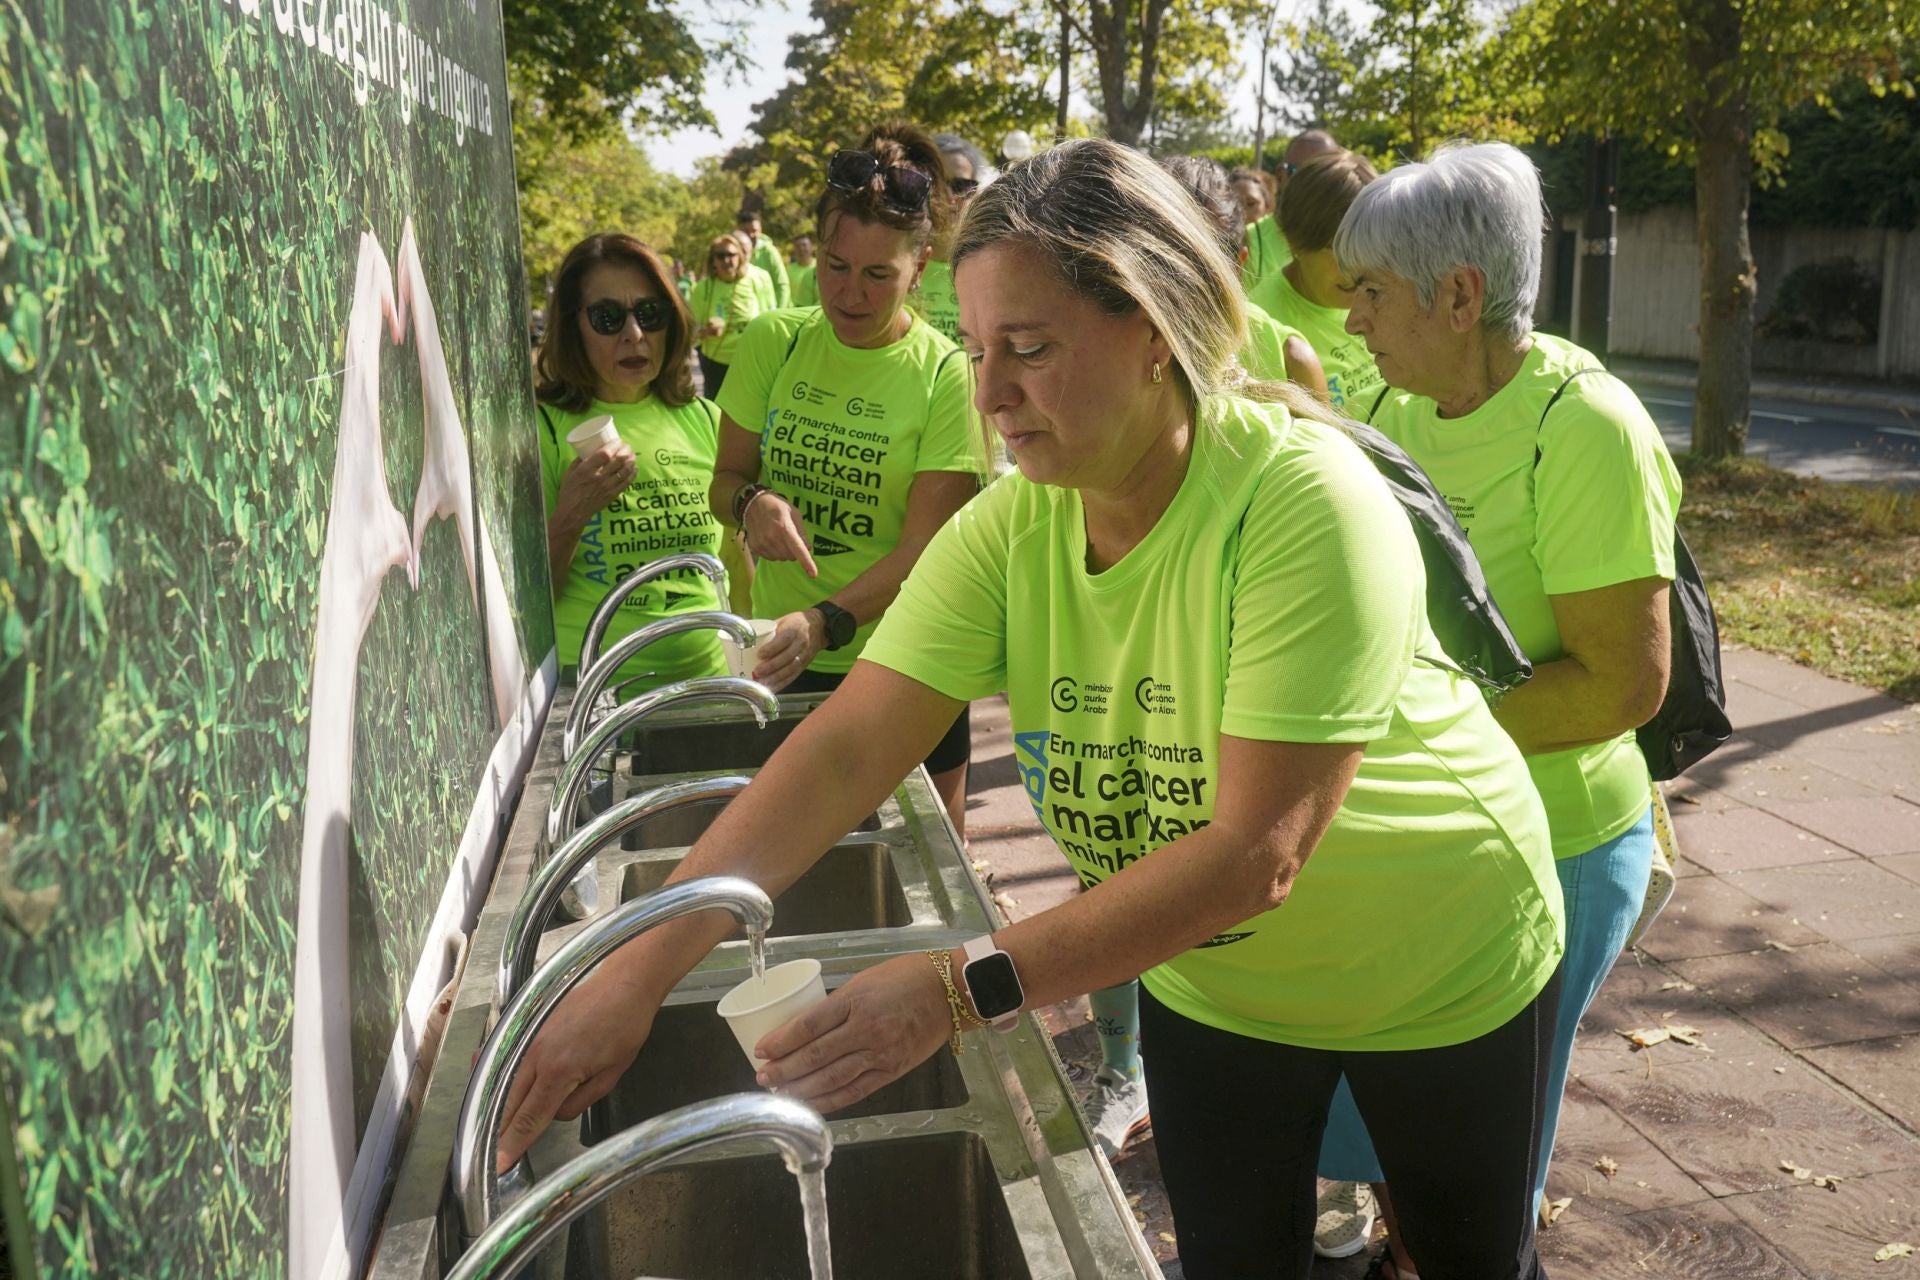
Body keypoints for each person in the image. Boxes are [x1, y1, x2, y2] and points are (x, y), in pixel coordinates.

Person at [496, 137, 1567, 1280]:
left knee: (1462, 1259)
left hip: (1436, 949)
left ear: (1155, 327)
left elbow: (1258, 851)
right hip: (1217, 974)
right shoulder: (1018, 528)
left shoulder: (1304, 499)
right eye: (973, 349)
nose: (991, 392)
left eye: (1030, 347)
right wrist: (633, 974)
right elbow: (850, 741)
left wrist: (959, 988)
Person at [1312, 141, 1680, 1278]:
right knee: (1386, 1121)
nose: (1353, 314)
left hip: (1551, 849)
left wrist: (1407, 732)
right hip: (1430, 835)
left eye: (1371, 290)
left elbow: (1624, 682)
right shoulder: (1388, 401)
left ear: (1459, 295)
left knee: (1467, 1169)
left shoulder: (1581, 429)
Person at [707, 122, 985, 836]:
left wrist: (827, 621)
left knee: (930, 873)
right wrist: (752, 501)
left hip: (904, 665)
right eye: (835, 266)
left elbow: (928, 548)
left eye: (877, 275)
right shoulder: (777, 340)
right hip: (784, 660)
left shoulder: (946, 374)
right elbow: (726, 478)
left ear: (920, 267)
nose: (850, 294)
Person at [533, 233, 728, 692]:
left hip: (708, 687)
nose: (634, 335)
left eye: (650, 314)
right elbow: (524, 607)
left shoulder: (706, 419)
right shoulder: (542, 428)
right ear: (572, 324)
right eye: (607, 318)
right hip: (591, 697)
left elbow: (734, 565)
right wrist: (572, 514)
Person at [1167, 155, 1328, 401]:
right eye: (1160, 252)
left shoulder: (1291, 359)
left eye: (1200, 259)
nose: (1177, 274)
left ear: (1238, 265)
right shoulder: (1108, 348)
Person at [1251, 149, 1384, 412]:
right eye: (1337, 250)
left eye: (1368, 248)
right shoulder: (1261, 332)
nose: (1356, 269)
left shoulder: (1393, 295)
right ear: (1295, 241)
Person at [1242, 128, 1341, 297]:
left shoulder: (1352, 242)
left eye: (1328, 174)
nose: (1316, 185)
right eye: (1302, 173)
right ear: (1281, 175)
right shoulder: (1248, 243)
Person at [914, 132, 992, 344]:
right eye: (936, 183)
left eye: (961, 185)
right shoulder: (893, 269)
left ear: (976, 193)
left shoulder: (994, 274)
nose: (948, 195)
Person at [689, 232, 777, 398]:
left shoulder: (759, 279)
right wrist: (707, 331)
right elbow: (689, 333)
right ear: (713, 261)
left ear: (740, 257)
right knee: (717, 415)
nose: (726, 261)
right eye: (720, 256)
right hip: (716, 363)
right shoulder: (703, 288)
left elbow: (772, 319)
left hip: (751, 362)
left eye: (731, 255)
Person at [737, 208, 792, 308]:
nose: (751, 235)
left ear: (760, 230)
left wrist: (778, 312)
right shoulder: (732, 254)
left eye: (754, 231)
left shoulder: (769, 251)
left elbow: (782, 284)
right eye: (746, 231)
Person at [788, 234, 819, 307]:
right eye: (798, 246)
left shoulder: (819, 267)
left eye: (804, 245)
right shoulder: (788, 270)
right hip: (794, 311)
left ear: (811, 247)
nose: (801, 249)